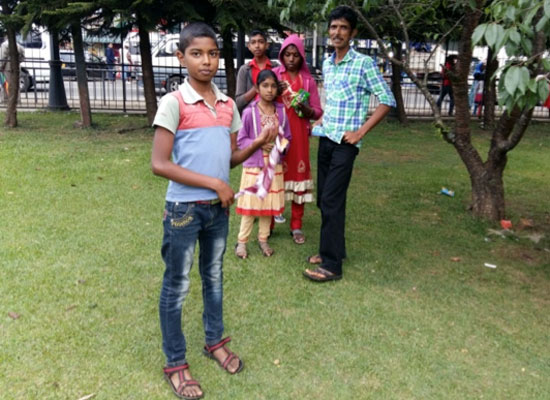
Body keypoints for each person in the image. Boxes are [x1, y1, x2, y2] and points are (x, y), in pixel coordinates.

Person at [151, 22, 278, 400]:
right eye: (196, 53)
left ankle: (213, 342)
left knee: (214, 278)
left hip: (217, 211)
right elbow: (159, 163)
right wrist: (215, 184)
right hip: (184, 212)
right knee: (177, 285)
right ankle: (176, 363)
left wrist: (257, 141)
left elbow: (229, 157)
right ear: (181, 57)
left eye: (212, 53)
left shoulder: (226, 105)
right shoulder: (174, 102)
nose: (206, 61)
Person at [303, 5, 395, 282]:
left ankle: (331, 266)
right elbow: (335, 101)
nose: (337, 32)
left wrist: (360, 132)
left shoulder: (364, 63)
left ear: (353, 32)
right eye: (333, 27)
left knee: (331, 200)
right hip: (327, 139)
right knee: (326, 200)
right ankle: (333, 249)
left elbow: (386, 100)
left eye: (343, 27)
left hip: (346, 144)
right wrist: (322, 122)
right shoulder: (328, 63)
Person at [234, 70, 292, 259]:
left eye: (273, 86)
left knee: (268, 203)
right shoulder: (250, 112)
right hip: (254, 165)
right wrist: (258, 144)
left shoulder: (281, 112)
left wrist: (278, 146)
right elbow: (241, 140)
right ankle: (242, 242)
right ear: (257, 88)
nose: (269, 90)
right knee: (251, 204)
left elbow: (287, 139)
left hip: (274, 166)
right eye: (265, 85)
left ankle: (263, 239)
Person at [273, 34, 323, 245]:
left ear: (302, 57)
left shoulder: (308, 80)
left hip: (299, 135)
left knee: (298, 176)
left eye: (295, 55)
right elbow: (260, 100)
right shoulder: (275, 75)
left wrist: (306, 109)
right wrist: (276, 91)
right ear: (282, 55)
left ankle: (296, 225)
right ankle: (270, 222)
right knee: (275, 175)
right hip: (277, 133)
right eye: (287, 54)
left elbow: (318, 111)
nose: (291, 59)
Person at [235, 30, 278, 114]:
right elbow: (238, 102)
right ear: (249, 46)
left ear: (267, 45)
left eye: (261, 42)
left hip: (273, 116)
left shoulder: (275, 68)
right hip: (252, 117)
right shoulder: (245, 70)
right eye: (253, 42)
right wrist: (256, 88)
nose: (257, 46)